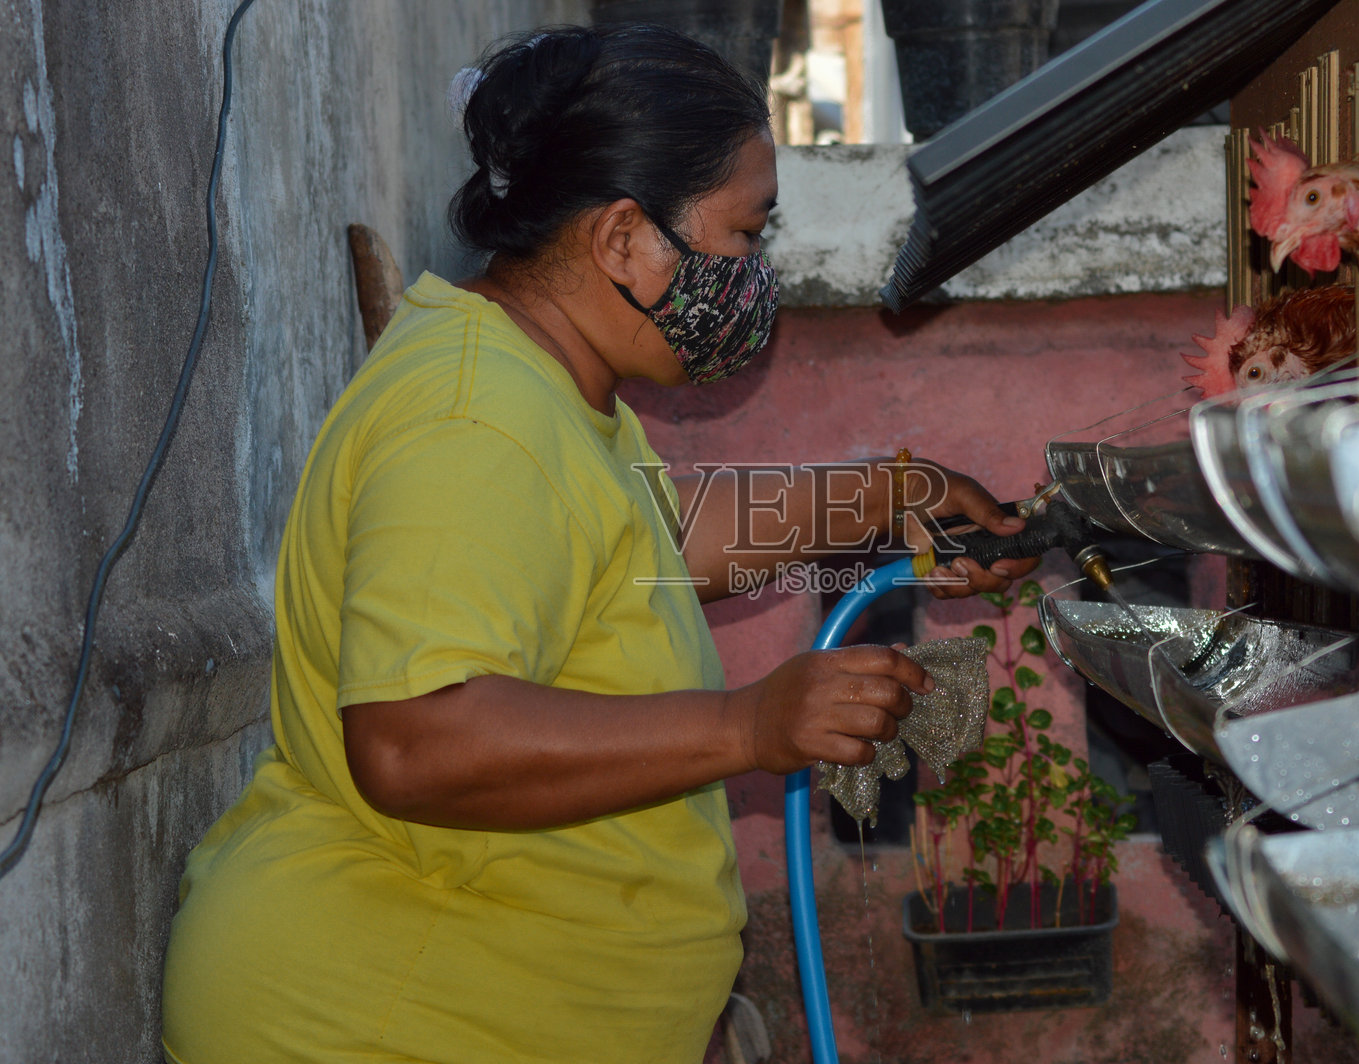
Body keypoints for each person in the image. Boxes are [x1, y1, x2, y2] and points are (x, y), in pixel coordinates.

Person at [161, 24, 1033, 1064]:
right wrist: (747, 724)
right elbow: (414, 739)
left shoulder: (540, 382)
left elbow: (642, 545)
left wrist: (896, 497)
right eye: (745, 235)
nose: (756, 272)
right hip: (380, 1023)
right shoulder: (470, 414)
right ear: (622, 239)